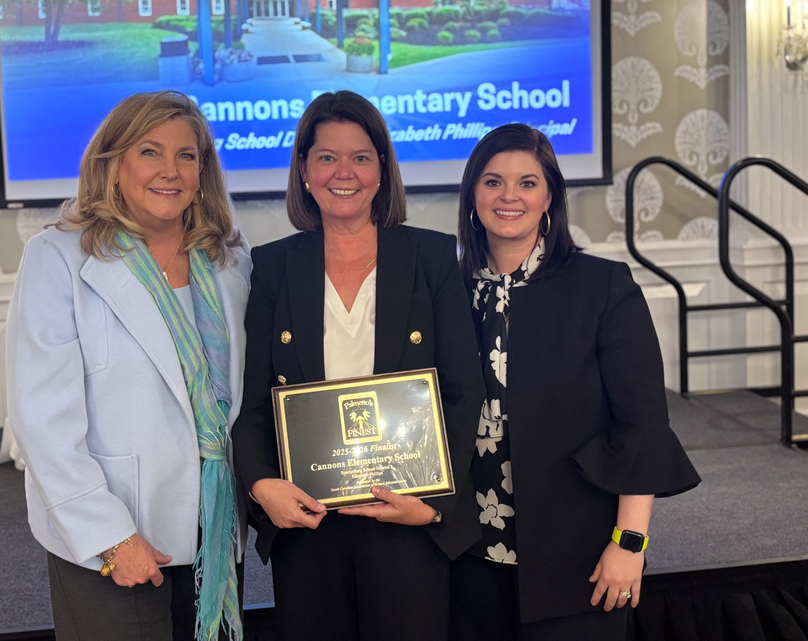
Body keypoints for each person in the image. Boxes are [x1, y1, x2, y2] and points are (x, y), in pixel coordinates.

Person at [232, 90, 484, 641]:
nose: (342, 172)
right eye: (326, 157)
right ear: (303, 169)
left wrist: (433, 505)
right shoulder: (272, 267)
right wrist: (258, 485)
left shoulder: (432, 257)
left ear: (382, 170)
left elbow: (465, 390)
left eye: (361, 157)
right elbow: (252, 404)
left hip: (405, 520)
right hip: (308, 522)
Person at [6, 91, 250, 641]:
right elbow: (43, 420)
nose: (170, 171)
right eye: (150, 152)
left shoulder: (230, 261)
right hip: (113, 538)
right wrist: (111, 537)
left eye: (187, 156)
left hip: (212, 532)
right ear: (113, 165)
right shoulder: (59, 259)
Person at [449, 123, 701, 640]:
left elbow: (642, 426)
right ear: (473, 195)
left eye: (527, 183)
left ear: (550, 197)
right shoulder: (445, 290)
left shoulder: (602, 287)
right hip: (466, 557)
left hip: (577, 558)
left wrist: (630, 543)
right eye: (493, 182)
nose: (509, 197)